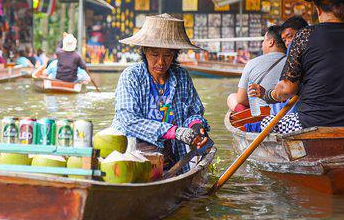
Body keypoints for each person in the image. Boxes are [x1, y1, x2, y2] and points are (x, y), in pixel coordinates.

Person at [250, 0, 344, 133]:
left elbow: (287, 90)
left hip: (313, 122)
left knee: (266, 123)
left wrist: (268, 95)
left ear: (317, 8)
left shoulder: (304, 35)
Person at [111, 14, 211, 171]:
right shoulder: (131, 76)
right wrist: (174, 131)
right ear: (144, 51)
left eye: (167, 55)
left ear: (175, 54)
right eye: (155, 54)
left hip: (170, 154)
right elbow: (128, 120)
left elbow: (194, 112)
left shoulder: (181, 76)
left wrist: (196, 128)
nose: (161, 62)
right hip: (133, 154)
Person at [227, 26, 287, 112]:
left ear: (271, 42)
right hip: (286, 110)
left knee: (232, 97)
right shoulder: (293, 62)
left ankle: (248, 117)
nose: (262, 44)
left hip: (262, 113)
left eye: (264, 40)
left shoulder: (252, 63)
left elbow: (241, 99)